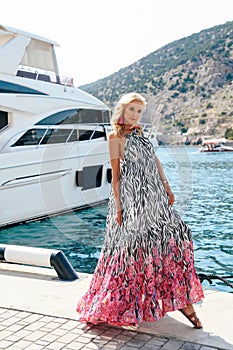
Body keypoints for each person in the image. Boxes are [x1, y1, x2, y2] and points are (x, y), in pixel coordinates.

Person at [76, 92, 204, 328]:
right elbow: (116, 175)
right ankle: (124, 305)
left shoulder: (140, 134)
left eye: (139, 111)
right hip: (131, 199)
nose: (135, 116)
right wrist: (118, 208)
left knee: (178, 233)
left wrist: (166, 185)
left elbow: (154, 160)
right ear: (122, 111)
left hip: (154, 195)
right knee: (134, 251)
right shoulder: (114, 137)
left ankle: (175, 298)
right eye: (131, 110)